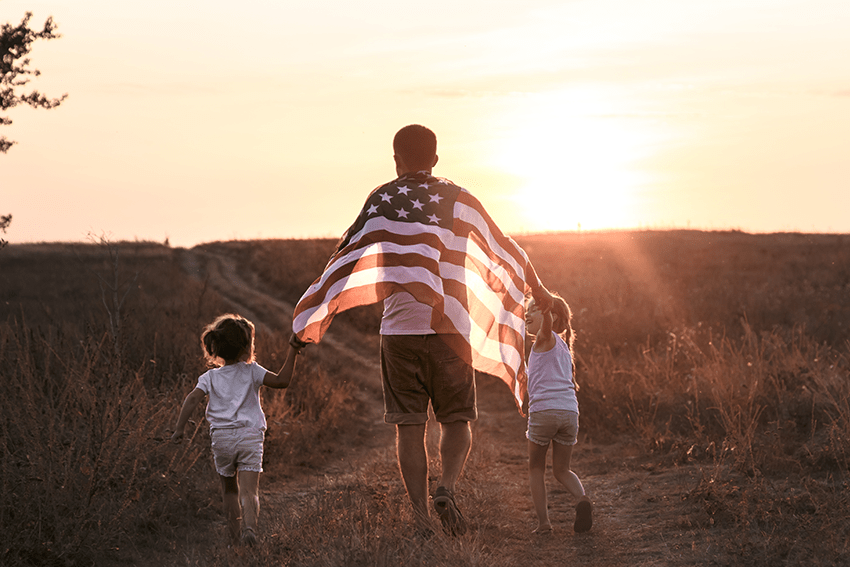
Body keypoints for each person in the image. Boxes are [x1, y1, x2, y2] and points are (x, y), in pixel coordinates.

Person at [292, 124, 563, 537]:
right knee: (457, 420)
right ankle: (447, 487)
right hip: (451, 327)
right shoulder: (456, 197)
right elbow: (503, 244)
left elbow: (345, 252)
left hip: (399, 331)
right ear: (435, 158)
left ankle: (420, 518)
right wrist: (538, 289)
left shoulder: (381, 198)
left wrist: (311, 314)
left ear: (396, 158)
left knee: (409, 426)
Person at [171, 314, 304, 546]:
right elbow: (283, 381)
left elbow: (192, 400)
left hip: (222, 438)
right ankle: (249, 530)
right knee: (249, 490)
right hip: (250, 436)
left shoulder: (209, 377)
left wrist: (179, 430)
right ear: (246, 347)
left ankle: (233, 538)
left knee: (229, 490)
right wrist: (292, 350)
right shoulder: (252, 371)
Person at [523, 294, 592, 534]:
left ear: (550, 317)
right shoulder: (564, 349)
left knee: (536, 468)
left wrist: (539, 291)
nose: (527, 313)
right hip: (569, 413)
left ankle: (544, 524)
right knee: (562, 469)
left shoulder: (545, 338)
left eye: (534, 309)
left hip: (544, 413)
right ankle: (582, 499)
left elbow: (545, 322)